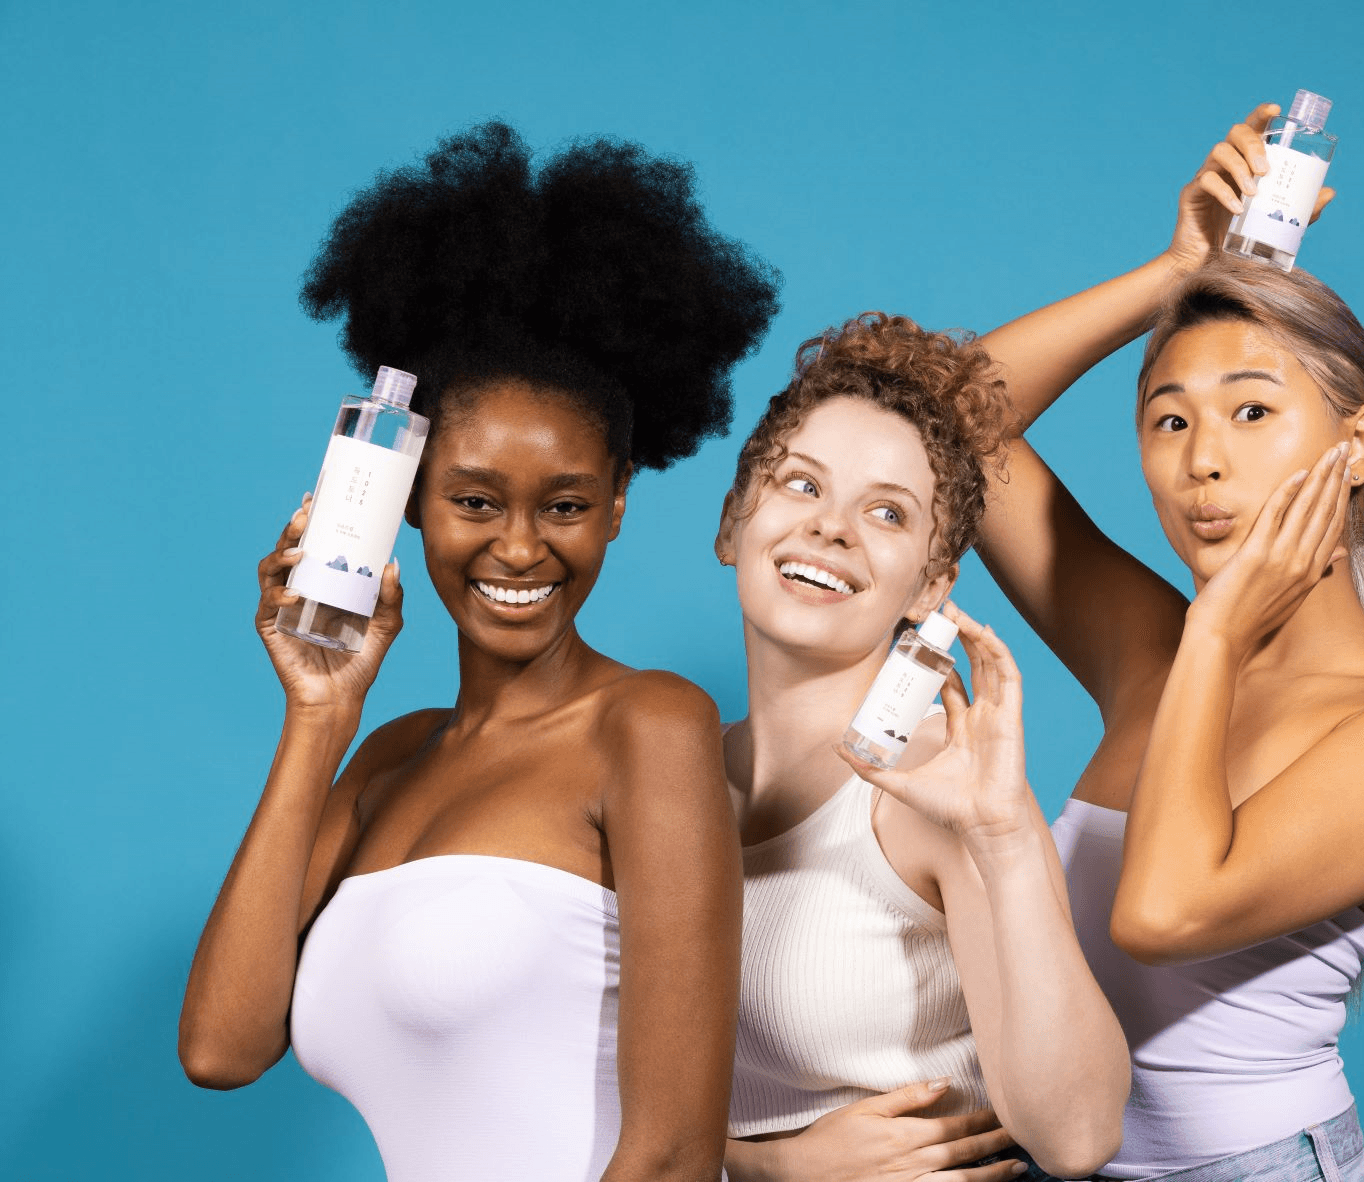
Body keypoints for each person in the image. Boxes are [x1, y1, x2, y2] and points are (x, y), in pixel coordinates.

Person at [177, 122, 780, 1182]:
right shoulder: (388, 759)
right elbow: (222, 1049)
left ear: (619, 505)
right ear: (409, 500)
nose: (519, 547)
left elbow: (674, 1154)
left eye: (566, 505)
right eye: (474, 501)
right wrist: (319, 715)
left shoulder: (649, 725)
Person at [967, 105, 1364, 1180]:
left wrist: (1211, 635)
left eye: (1252, 412)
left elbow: (1162, 912)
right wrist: (1174, 275)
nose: (1202, 460)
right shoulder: (1151, 652)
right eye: (1169, 420)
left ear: (1358, 444)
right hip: (1047, 1155)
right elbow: (944, 420)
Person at [711, 313, 1131, 1182]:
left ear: (930, 585)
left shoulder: (936, 785)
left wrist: (1004, 840)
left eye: (887, 512)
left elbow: (1078, 1139)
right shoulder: (669, 774)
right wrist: (767, 1168)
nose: (831, 528)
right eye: (801, 484)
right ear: (731, 524)